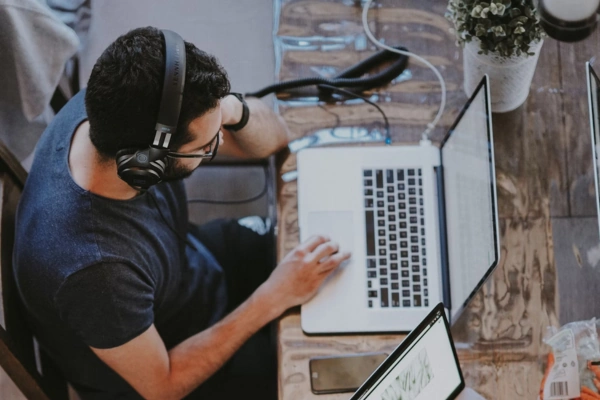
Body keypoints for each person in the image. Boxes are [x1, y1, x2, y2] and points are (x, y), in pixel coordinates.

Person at [13, 26, 351, 400]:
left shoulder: (113, 109)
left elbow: (276, 138)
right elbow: (164, 385)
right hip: (175, 360)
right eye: (206, 147)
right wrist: (273, 296)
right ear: (146, 164)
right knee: (331, 371)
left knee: (343, 265)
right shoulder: (95, 272)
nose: (220, 143)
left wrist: (229, 109)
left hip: (189, 270)